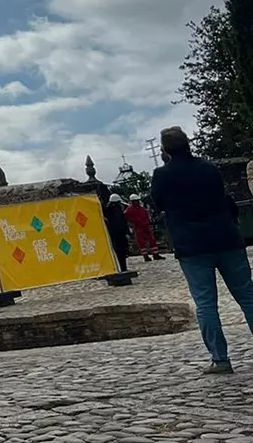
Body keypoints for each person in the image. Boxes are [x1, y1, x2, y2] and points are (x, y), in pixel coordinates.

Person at [151, 126, 253, 374]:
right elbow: (222, 196)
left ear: (165, 150)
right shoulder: (209, 169)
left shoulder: (162, 175)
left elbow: (158, 203)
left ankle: (220, 359)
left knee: (206, 303)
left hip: (191, 245)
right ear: (188, 143)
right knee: (248, 295)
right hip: (226, 238)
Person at [124, 195, 163, 261]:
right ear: (132, 201)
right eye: (135, 201)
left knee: (152, 240)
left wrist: (148, 222)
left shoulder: (142, 208)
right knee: (141, 242)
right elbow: (126, 217)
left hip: (146, 226)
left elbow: (146, 216)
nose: (137, 202)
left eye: (137, 200)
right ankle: (145, 256)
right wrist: (134, 222)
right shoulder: (129, 210)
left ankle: (156, 254)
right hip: (138, 227)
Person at [104, 193, 132, 272]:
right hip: (119, 235)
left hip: (112, 235)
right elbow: (122, 223)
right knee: (121, 252)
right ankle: (123, 268)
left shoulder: (106, 211)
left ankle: (120, 268)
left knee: (117, 252)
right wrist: (127, 232)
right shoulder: (117, 211)